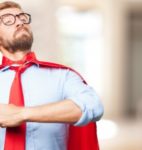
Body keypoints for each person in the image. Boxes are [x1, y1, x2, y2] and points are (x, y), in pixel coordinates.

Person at [0, 1, 104, 150]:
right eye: (8, 19)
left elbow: (93, 106)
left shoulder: (63, 76)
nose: (19, 22)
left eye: (22, 17)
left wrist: (21, 114)